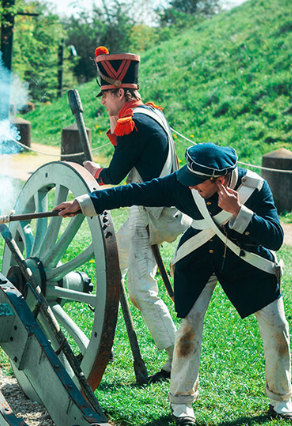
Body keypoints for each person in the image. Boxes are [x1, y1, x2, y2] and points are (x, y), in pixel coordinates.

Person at [56, 143, 292, 425]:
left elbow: (275, 238)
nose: (190, 186)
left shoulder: (255, 189)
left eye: (197, 183)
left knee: (277, 326)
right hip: (197, 259)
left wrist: (238, 211)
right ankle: (181, 403)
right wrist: (84, 203)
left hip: (247, 261)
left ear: (218, 180)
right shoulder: (184, 183)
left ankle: (281, 400)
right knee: (188, 329)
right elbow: (135, 192)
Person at [83, 46, 189, 382]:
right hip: (158, 209)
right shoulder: (150, 114)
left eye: (105, 95)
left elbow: (113, 176)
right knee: (111, 266)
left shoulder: (132, 123)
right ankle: (99, 330)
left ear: (119, 91)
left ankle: (177, 359)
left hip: (151, 215)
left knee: (140, 290)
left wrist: (92, 170)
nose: (102, 102)